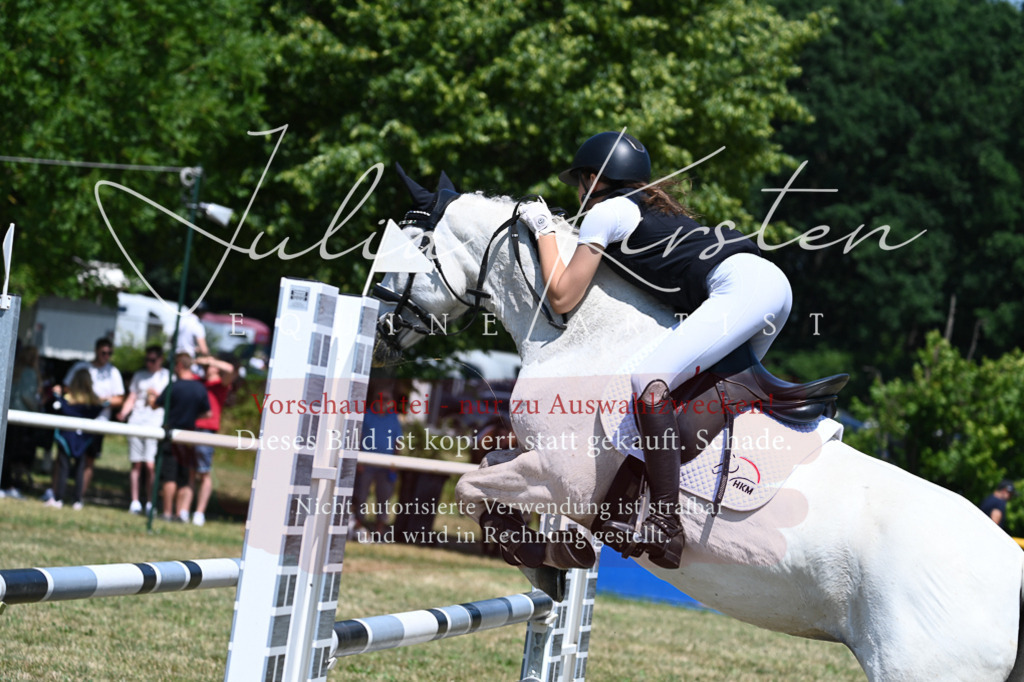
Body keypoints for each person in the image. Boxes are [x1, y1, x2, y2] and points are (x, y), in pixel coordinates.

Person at [520, 131, 792, 569]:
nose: (577, 193)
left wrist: (544, 231)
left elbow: (563, 297)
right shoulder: (647, 210)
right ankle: (652, 506)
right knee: (694, 398)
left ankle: (666, 523)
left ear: (594, 178)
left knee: (648, 382)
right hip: (769, 287)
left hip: (740, 288)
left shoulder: (606, 211)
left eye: (578, 183)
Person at [59, 338, 125, 500]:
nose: (106, 356)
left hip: (98, 422)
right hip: (75, 419)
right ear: (96, 350)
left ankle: (78, 497)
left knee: (89, 459)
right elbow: (66, 388)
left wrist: (99, 402)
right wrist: (84, 401)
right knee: (63, 457)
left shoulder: (113, 372)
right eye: (103, 352)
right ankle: (59, 493)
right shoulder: (81, 367)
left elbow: (119, 398)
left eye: (109, 353)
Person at [150, 353, 210, 522]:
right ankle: (180, 513)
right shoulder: (200, 388)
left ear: (180, 366)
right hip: (189, 436)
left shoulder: (174, 386)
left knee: (169, 476)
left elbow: (156, 405)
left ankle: (167, 512)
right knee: (185, 477)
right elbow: (208, 413)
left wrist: (151, 396)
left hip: (171, 434)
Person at [116, 345, 170, 514]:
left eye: (153, 360)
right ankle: (135, 501)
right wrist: (123, 413)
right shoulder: (139, 375)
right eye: (147, 360)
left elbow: (166, 400)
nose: (149, 363)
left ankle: (149, 502)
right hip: (136, 422)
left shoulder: (167, 376)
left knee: (150, 465)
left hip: (154, 424)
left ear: (160, 360)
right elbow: (132, 397)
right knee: (136, 464)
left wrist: (156, 395)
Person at [187, 354, 236, 526]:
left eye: (212, 366)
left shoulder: (220, 385)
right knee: (190, 473)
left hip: (207, 430)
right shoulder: (198, 381)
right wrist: (193, 361)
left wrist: (210, 361)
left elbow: (230, 370)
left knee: (204, 472)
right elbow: (183, 370)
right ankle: (184, 511)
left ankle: (199, 513)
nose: (208, 368)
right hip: (191, 429)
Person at [352, 379, 403, 538]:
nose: (384, 402)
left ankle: (379, 530)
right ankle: (358, 527)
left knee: (384, 498)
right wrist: (359, 461)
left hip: (386, 465)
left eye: (387, 399)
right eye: (381, 398)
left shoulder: (393, 417)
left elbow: (398, 441)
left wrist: (395, 462)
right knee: (361, 496)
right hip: (366, 463)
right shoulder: (366, 415)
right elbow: (357, 437)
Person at [47, 369, 104, 509]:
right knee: (80, 468)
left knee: (63, 466)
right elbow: (99, 409)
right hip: (82, 438)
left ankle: (58, 498)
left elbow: (64, 409)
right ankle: (77, 500)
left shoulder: (68, 400)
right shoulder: (93, 403)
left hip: (67, 436)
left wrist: (57, 396)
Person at [1, 343, 41, 498]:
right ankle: (6, 484)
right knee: (11, 453)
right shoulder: (30, 372)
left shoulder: (14, 368)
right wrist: (37, 410)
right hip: (20, 417)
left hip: (8, 414)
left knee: (5, 451)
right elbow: (27, 396)